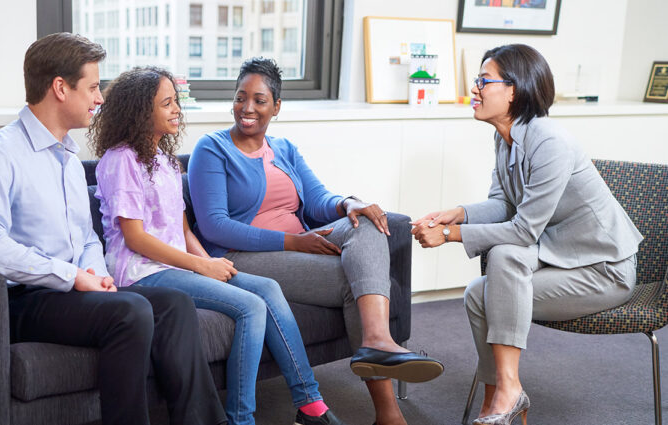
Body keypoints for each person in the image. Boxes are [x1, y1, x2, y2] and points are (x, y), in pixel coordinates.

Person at [0, 33, 226, 425]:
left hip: (70, 289)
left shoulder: (67, 155)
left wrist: (96, 273)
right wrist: (72, 276)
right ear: (60, 88)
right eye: (94, 87)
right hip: (23, 299)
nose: (100, 98)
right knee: (131, 310)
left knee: (174, 304)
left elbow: (84, 237)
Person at [187, 57, 444, 425]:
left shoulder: (285, 149)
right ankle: (389, 414)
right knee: (363, 285)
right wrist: (294, 243)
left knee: (365, 222)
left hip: (300, 242)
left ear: (276, 107)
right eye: (241, 97)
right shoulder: (212, 149)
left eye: (259, 100)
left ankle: (376, 341)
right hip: (242, 255)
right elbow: (214, 227)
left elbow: (320, 200)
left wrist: (348, 202)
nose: (247, 108)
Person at [90, 66, 346, 425]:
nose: (177, 109)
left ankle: (309, 403)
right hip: (139, 272)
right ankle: (241, 419)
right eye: (167, 103)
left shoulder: (165, 161)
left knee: (267, 288)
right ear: (139, 110)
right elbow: (135, 238)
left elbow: (181, 230)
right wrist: (202, 267)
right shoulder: (120, 160)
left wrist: (209, 262)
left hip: (176, 266)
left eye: (176, 101)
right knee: (249, 307)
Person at [411, 44, 643, 425]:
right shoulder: (505, 139)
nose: (475, 89)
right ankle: (496, 402)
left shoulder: (549, 140)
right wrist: (460, 212)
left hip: (602, 269)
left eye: (484, 81)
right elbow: (503, 204)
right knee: (477, 292)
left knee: (502, 261)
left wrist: (451, 234)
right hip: (560, 256)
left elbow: (523, 229)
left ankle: (507, 390)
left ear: (514, 90)